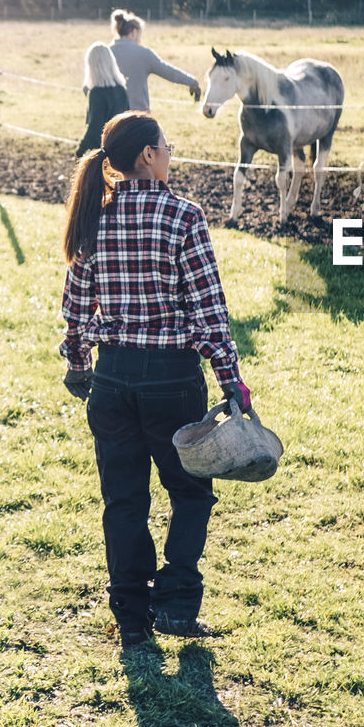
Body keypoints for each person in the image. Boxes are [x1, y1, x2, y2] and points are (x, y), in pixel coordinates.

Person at [60, 111, 252, 649]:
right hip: (173, 381)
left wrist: (79, 368)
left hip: (113, 380)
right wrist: (232, 382)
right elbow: (210, 313)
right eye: (167, 145)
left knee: (123, 500)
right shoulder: (184, 216)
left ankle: (131, 618)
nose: (171, 152)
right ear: (147, 154)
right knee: (191, 493)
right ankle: (175, 604)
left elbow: (75, 312)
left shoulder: (93, 217)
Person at [109, 9, 201, 111]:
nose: (140, 39)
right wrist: (192, 82)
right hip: (138, 116)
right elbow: (169, 72)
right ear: (134, 32)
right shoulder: (144, 54)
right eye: (140, 34)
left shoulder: (106, 52)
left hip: (111, 117)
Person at [76, 42, 129, 157]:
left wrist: (80, 151)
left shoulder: (97, 93)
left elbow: (95, 128)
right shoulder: (121, 90)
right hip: (120, 149)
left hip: (103, 152)